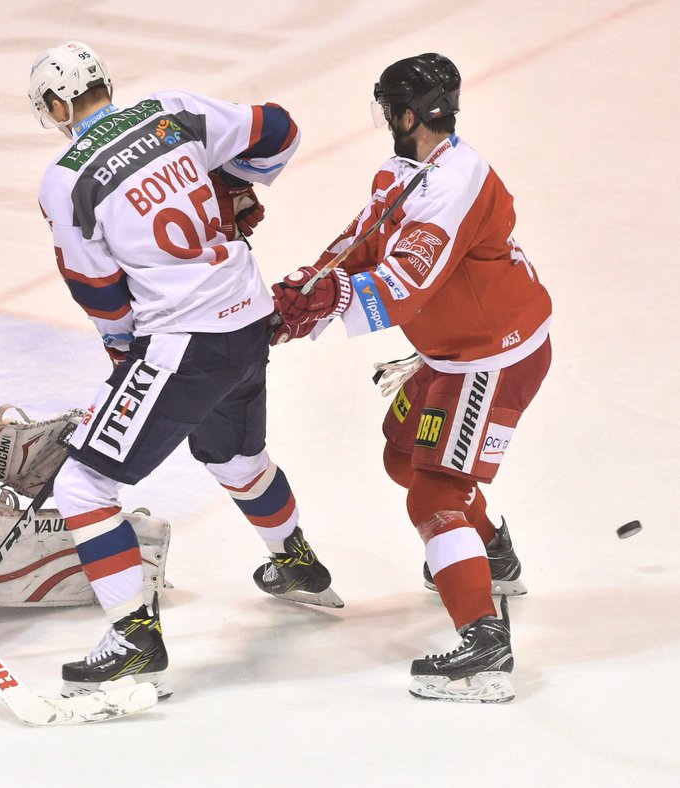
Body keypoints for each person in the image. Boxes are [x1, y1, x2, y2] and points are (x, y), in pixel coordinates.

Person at [28, 40, 342, 699]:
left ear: (58, 104)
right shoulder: (171, 111)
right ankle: (296, 562)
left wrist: (124, 359)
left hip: (182, 342)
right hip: (248, 322)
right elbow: (279, 130)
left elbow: (98, 288)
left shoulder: (66, 178)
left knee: (84, 486)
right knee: (234, 458)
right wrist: (235, 183)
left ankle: (134, 638)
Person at [272, 53, 552, 703]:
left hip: (491, 357)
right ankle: (491, 552)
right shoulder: (407, 169)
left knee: (432, 494)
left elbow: (403, 287)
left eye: (386, 109)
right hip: (452, 353)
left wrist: (330, 299)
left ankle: (485, 649)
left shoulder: (457, 184)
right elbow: (366, 238)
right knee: (402, 456)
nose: (384, 122)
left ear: (405, 113)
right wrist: (311, 283)